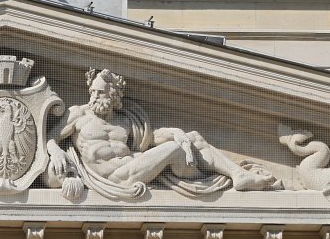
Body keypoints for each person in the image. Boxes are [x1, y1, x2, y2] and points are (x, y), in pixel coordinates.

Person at [48, 68, 275, 192]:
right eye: (93, 92)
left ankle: (237, 174)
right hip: (115, 178)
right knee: (175, 149)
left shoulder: (124, 121)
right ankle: (212, 175)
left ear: (114, 95)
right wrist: (56, 152)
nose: (95, 97)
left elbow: (150, 140)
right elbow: (51, 137)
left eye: (101, 93)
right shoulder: (79, 114)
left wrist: (176, 131)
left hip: (133, 166)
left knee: (191, 137)